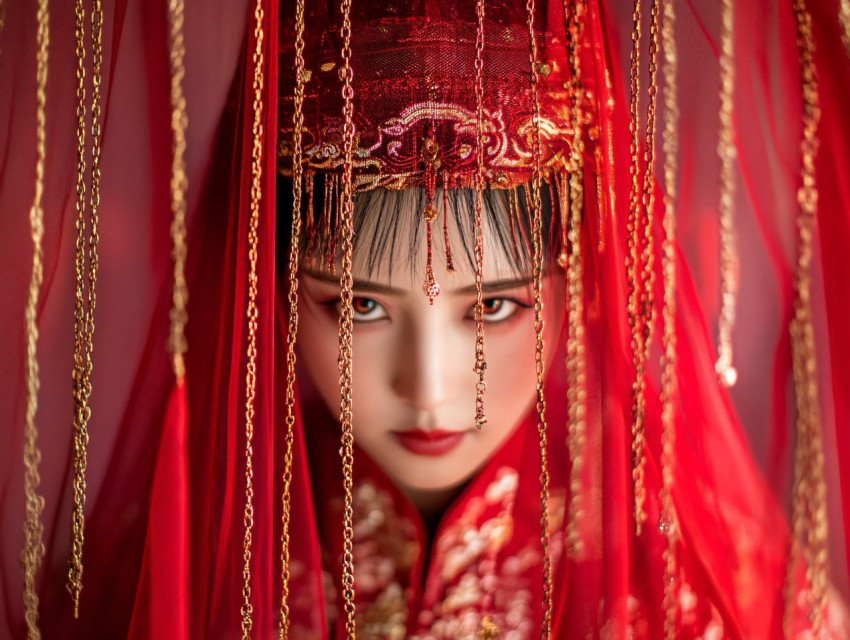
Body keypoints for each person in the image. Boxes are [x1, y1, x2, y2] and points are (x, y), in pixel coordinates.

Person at [1, 0, 850, 639]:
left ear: (579, 282)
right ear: (267, 283)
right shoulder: (165, 565)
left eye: (494, 306)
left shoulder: (709, 587)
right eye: (360, 305)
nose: (433, 388)